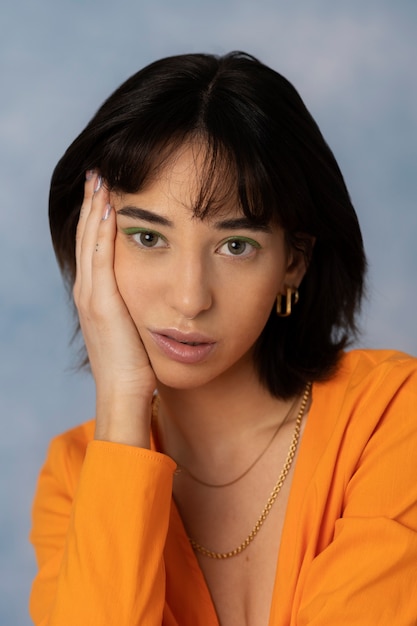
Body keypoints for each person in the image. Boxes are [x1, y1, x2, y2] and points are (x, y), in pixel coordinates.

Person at [30, 51, 417, 626]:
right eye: (146, 237)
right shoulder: (77, 474)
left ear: (294, 262)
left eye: (236, 246)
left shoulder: (391, 413)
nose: (190, 299)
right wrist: (122, 402)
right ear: (91, 242)